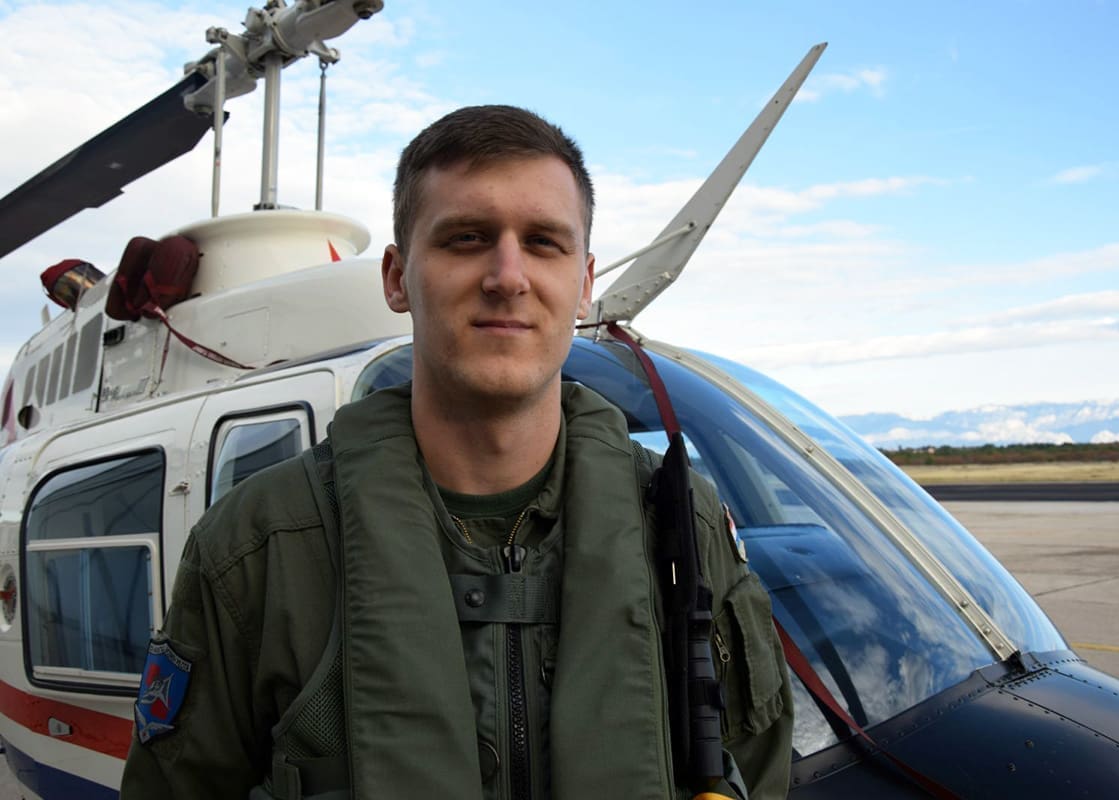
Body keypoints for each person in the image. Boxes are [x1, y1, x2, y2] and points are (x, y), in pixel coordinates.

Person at [121, 105, 793, 799]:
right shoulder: (255, 551)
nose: (508, 276)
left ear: (585, 283)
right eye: (467, 238)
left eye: (543, 243)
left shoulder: (682, 526)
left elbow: (760, 770)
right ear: (396, 277)